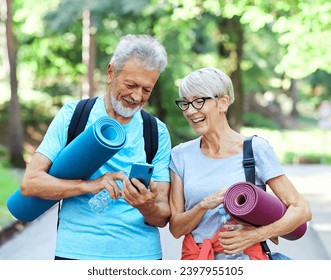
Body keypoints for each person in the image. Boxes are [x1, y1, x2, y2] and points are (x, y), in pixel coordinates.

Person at [21, 34, 171, 260]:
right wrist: (90, 185)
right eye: (130, 85)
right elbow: (30, 184)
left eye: (146, 90)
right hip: (77, 253)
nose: (137, 96)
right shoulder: (74, 116)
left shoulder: (156, 132)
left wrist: (146, 205)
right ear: (111, 72)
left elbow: (161, 217)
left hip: (141, 256)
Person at [169, 67, 312, 260]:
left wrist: (256, 235)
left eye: (199, 101)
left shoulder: (255, 149)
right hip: (198, 261)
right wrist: (205, 204)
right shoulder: (180, 155)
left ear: (223, 103)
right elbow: (176, 229)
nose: (190, 111)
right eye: (185, 103)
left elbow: (301, 210)